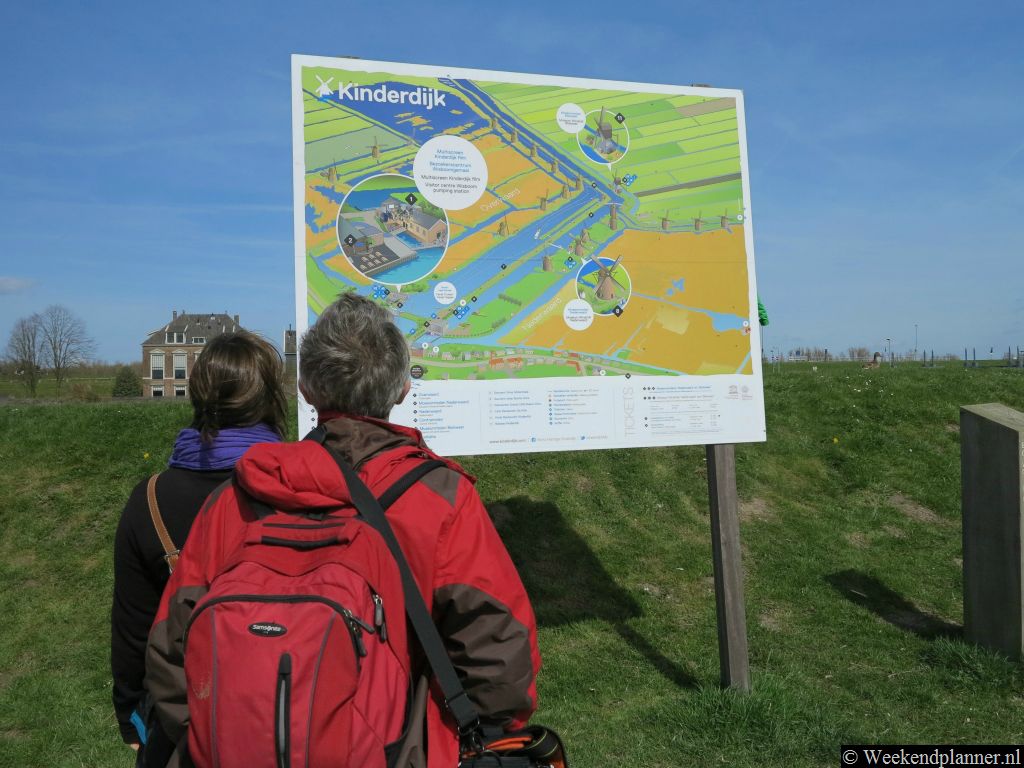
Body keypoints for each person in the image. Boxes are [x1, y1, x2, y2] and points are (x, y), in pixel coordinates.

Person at [146, 293, 540, 768]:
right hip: (397, 751)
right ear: (402, 389)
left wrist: (223, 740)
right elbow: (499, 654)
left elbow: (171, 648)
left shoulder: (237, 498)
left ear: (306, 389)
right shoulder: (439, 499)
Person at [111, 331, 287, 762]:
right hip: (290, 704)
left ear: (197, 396)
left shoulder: (150, 498)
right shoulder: (299, 489)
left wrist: (130, 712)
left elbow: (134, 627)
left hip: (186, 718)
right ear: (270, 400)